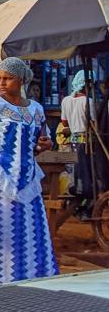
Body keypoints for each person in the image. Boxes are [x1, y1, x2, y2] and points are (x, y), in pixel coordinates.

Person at [0, 57, 59, 286]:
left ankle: (31, 283)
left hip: (27, 181)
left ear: (21, 80)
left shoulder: (36, 110)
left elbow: (37, 144)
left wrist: (45, 146)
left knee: (32, 234)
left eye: (7, 78)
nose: (2, 83)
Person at [63, 71, 95, 218]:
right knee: (88, 177)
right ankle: (84, 208)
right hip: (86, 143)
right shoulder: (88, 101)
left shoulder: (65, 101)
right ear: (87, 84)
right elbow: (93, 124)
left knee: (75, 176)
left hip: (72, 142)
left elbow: (64, 123)